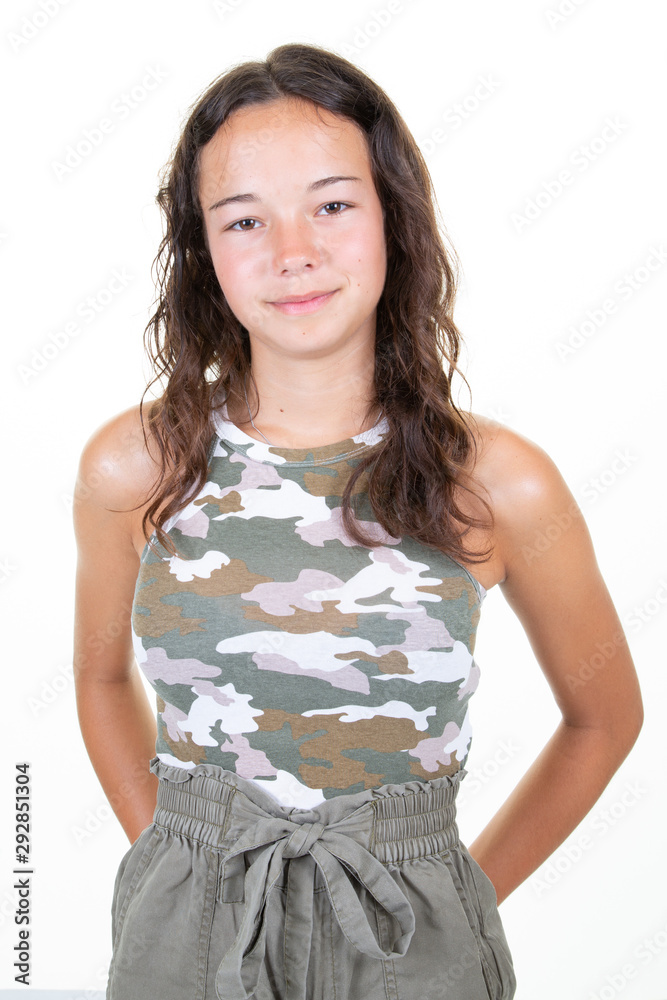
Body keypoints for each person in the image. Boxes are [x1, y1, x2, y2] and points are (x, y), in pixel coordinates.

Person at [72, 42, 643, 1000]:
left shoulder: (496, 482)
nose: (293, 251)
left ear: (393, 217)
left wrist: (458, 896)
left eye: (332, 204)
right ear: (204, 250)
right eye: (244, 218)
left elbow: (605, 715)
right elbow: (96, 677)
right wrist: (176, 863)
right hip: (185, 938)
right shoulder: (136, 467)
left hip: (412, 941)